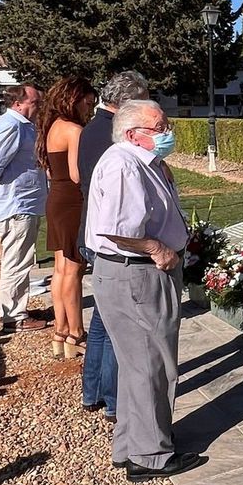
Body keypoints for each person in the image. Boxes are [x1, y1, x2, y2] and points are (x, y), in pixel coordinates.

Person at [85, 98, 203, 479]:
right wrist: (157, 248)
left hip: (134, 274)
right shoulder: (123, 165)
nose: (168, 133)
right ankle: (150, 455)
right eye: (160, 127)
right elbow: (116, 228)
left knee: (137, 366)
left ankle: (130, 445)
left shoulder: (140, 162)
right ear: (133, 134)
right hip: (137, 275)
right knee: (152, 366)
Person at [78, 71, 152, 420]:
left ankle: (93, 390)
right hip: (110, 239)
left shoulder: (92, 128)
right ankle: (113, 398)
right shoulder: (113, 137)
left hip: (92, 230)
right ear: (126, 103)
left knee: (102, 323)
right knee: (116, 327)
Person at [0, 83, 47, 331]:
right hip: (16, 206)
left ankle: (16, 309)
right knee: (17, 262)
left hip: (23, 203)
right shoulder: (12, 126)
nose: (39, 107)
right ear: (18, 104)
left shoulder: (22, 125)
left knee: (21, 259)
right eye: (35, 102)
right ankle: (14, 316)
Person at [37, 75, 96, 359]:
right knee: (74, 269)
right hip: (72, 202)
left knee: (60, 268)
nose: (89, 109)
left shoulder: (52, 126)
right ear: (75, 99)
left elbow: (52, 171)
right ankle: (77, 333)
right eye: (88, 103)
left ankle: (60, 331)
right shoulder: (74, 130)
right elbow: (77, 174)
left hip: (56, 199)